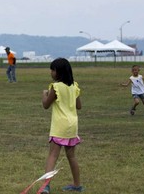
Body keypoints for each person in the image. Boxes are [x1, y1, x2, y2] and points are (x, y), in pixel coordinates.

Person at [41, 58, 83, 193]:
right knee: (72, 156)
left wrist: (44, 94)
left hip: (59, 126)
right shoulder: (74, 86)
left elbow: (46, 105)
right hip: (72, 125)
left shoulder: (55, 87)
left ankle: (45, 186)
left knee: (53, 155)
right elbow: (79, 106)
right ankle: (77, 184)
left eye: (52, 70)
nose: (51, 72)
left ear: (58, 72)